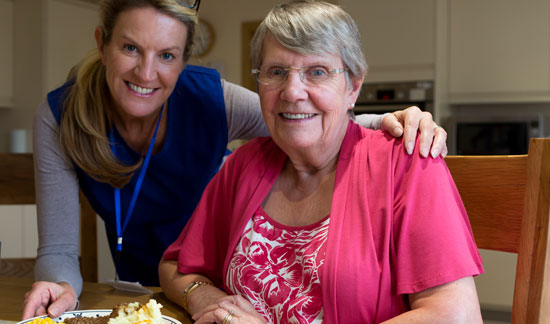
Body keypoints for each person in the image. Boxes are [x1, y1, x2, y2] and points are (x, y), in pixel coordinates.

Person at [23, 0, 449, 319]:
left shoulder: (214, 103)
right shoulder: (62, 115)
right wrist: (60, 287)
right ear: (102, 43)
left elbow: (303, 120)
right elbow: (60, 246)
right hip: (163, 297)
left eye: (167, 55)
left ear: (185, 61)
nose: (146, 72)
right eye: (130, 48)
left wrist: (394, 121)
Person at [158, 1, 483, 323]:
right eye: (276, 72)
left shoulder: (406, 164)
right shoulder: (244, 165)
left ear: (353, 86)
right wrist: (208, 299)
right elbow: (177, 266)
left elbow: (456, 316)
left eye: (317, 72)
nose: (292, 91)